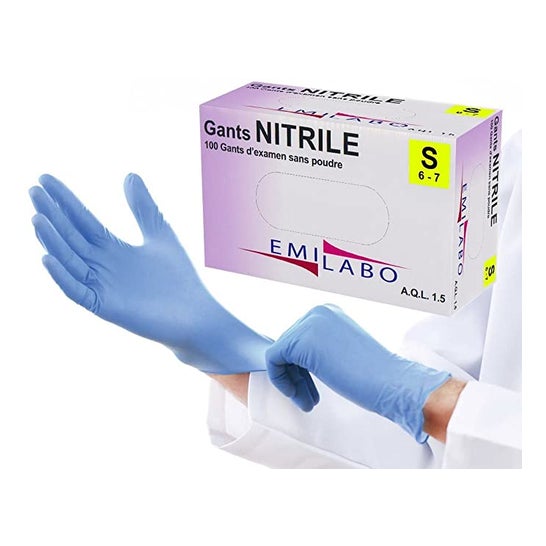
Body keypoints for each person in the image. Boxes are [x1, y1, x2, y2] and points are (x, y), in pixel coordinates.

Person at [29, 132, 522, 469]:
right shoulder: (517, 163)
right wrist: (219, 343)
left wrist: (427, 398)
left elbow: (446, 415)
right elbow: (430, 449)